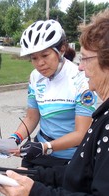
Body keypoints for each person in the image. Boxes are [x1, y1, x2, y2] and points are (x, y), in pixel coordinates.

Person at [0, 5, 109, 196]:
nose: (81, 67)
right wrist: (35, 174)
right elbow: (86, 172)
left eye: (85, 58)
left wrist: (35, 193)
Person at [9, 19, 97, 170]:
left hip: (68, 157)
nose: (39, 63)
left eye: (45, 55)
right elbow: (32, 117)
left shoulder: (80, 79)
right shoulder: (35, 77)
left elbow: (81, 133)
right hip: (41, 149)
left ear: (61, 49)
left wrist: (45, 147)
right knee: (18, 189)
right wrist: (14, 139)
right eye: (34, 58)